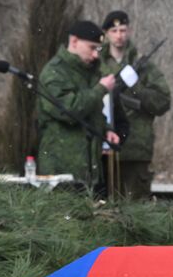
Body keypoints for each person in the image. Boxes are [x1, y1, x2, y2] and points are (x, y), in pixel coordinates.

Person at [36, 21, 121, 187]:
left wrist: (106, 129)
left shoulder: (88, 71)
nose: (96, 55)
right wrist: (101, 89)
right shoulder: (54, 73)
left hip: (88, 169)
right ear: (74, 42)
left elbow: (92, 111)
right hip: (60, 169)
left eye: (98, 49)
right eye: (92, 47)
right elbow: (69, 110)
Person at [100, 10, 171, 198]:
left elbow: (163, 102)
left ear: (129, 31)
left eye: (123, 30)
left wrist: (136, 87)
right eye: (114, 30)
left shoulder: (144, 66)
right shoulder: (97, 63)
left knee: (137, 206)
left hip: (136, 148)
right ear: (106, 34)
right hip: (103, 147)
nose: (119, 35)